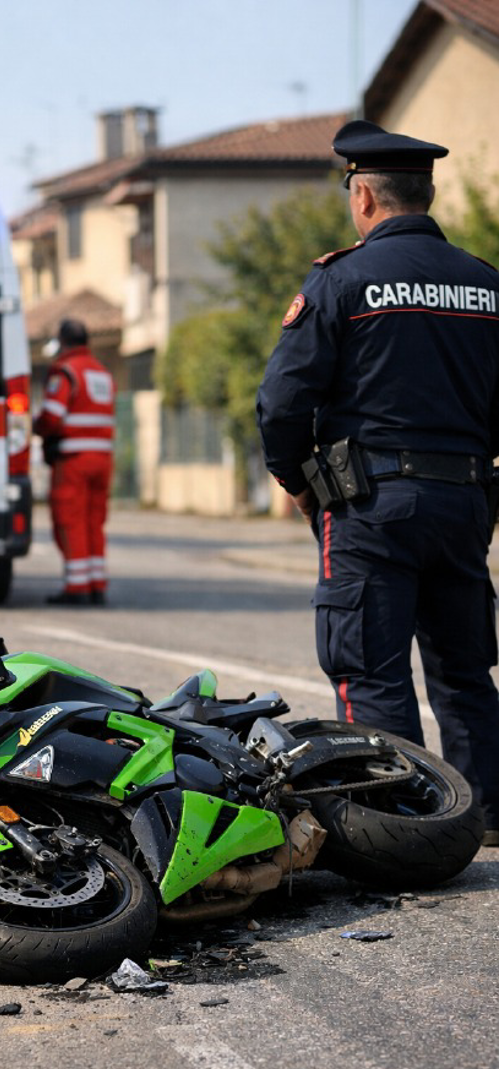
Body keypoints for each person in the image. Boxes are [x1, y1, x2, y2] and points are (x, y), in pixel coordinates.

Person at [256, 118, 499, 846]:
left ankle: (403, 830)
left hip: (368, 505)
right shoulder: (486, 283)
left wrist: (300, 481)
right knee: (464, 672)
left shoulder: (341, 280)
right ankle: (487, 817)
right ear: (428, 194)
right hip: (464, 501)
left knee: (370, 672)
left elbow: (282, 402)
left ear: (363, 197)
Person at [33, 318, 116, 605]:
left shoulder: (66, 371)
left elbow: (52, 417)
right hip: (102, 459)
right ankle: (96, 584)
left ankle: (76, 587)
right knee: (95, 521)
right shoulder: (102, 372)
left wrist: (35, 426)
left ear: (63, 341)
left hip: (73, 460)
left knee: (70, 521)